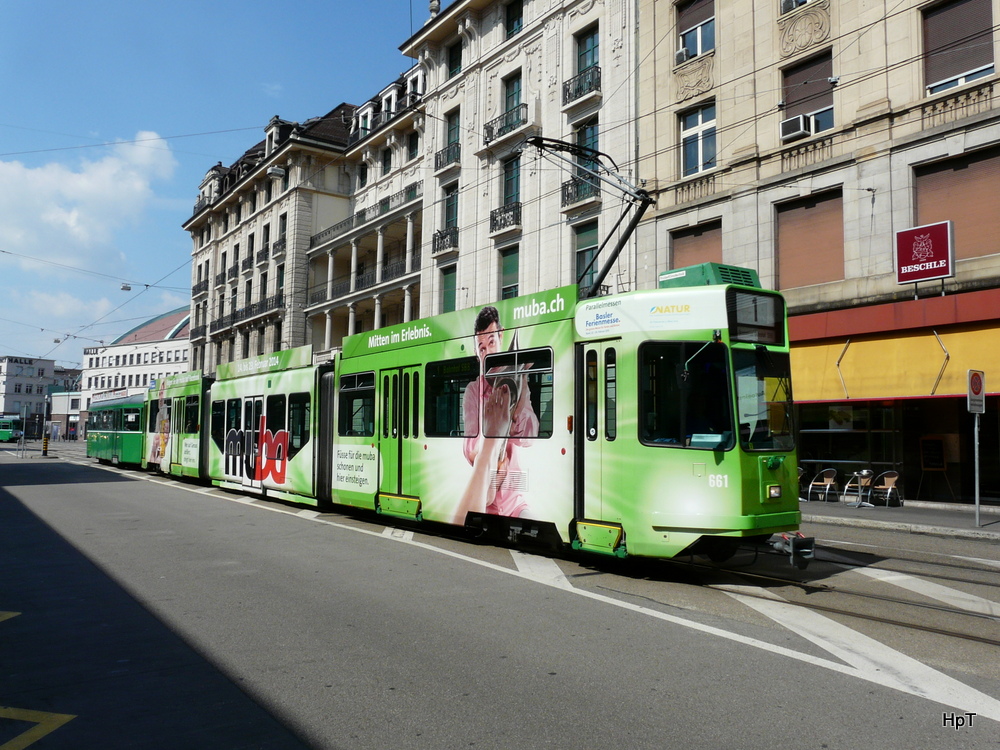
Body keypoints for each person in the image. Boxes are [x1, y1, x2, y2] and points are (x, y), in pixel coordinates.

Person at [454, 306, 538, 522]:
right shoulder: (474, 391)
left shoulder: (517, 380)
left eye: (491, 343)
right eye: (481, 348)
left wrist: (517, 410)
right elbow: (470, 447)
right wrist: (491, 441)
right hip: (484, 502)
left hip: (514, 501)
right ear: (476, 353)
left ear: (501, 336)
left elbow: (530, 437)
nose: (487, 353)